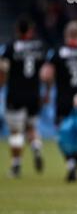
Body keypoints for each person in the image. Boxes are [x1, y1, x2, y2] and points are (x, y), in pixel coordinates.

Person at [0, 17, 47, 178]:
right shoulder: (39, 47)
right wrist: (46, 92)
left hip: (15, 94)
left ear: (18, 30)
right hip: (34, 94)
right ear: (31, 30)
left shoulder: (11, 47)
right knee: (31, 128)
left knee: (15, 132)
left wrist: (1, 85)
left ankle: (16, 165)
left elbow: (3, 70)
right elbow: (45, 72)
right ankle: (35, 146)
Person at [40, 20, 77, 182]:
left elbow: (46, 74)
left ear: (66, 35)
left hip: (63, 100)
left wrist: (47, 90)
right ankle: (76, 161)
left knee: (61, 134)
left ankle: (70, 162)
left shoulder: (57, 52)